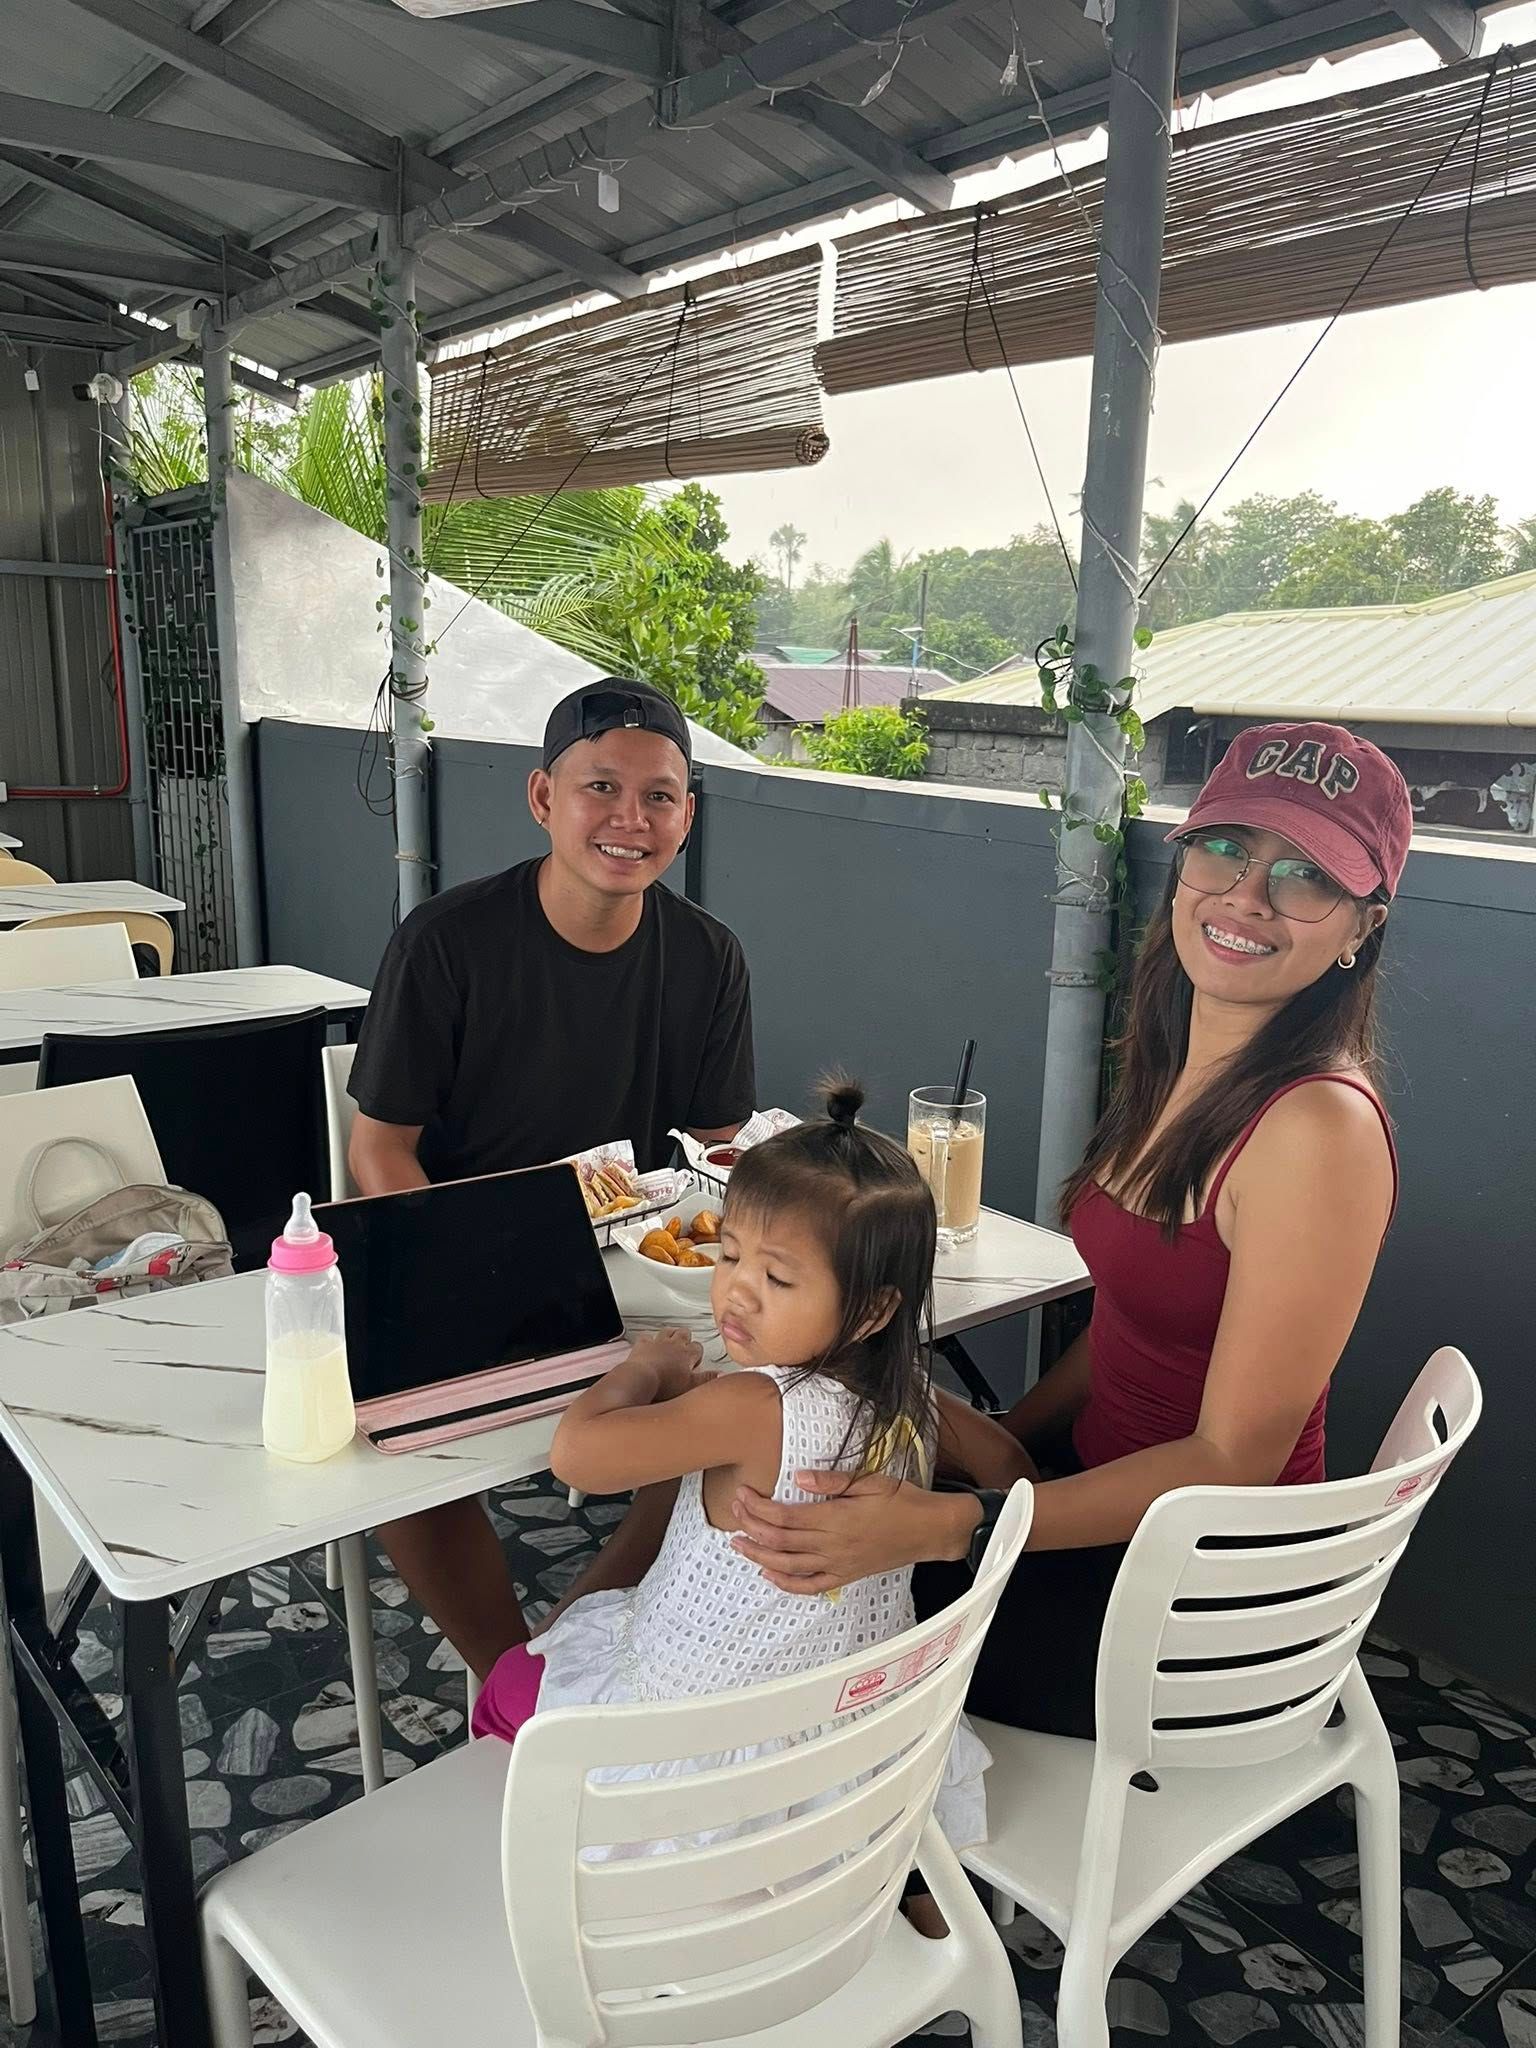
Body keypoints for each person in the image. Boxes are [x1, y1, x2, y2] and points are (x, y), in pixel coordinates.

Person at [726, 720, 1412, 1739]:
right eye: (1227, 849)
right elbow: (1132, 1325)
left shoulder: (1318, 1130)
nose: (1247, 896)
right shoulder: (1184, 1060)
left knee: (787, 1589)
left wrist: (962, 1519)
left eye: (1306, 875)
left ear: (1362, 926)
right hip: (1094, 1506)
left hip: (1188, 1603)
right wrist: (1006, 1437)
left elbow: (1230, 1458)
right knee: (784, 1437)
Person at [471, 1082, 1033, 1853]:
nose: (737, 1288)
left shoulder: (750, 1405)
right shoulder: (912, 1396)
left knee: (509, 1683)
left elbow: (579, 1455)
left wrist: (643, 1370)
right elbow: (1010, 1462)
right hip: (846, 1739)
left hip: (704, 1742)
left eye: (778, 1278)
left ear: (873, 1310)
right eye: (730, 1253)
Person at [346, 678, 756, 1679]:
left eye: (660, 796)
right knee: (399, 1456)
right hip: (459, 1251)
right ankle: (511, 1678)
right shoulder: (446, 941)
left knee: (749, 1400)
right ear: (542, 797)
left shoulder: (709, 957)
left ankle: (570, 1643)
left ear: (688, 815)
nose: (631, 818)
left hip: (632, 1263)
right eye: (600, 787)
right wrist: (456, 1259)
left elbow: (718, 1149)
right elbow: (378, 1147)